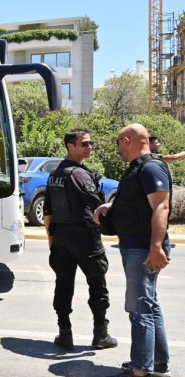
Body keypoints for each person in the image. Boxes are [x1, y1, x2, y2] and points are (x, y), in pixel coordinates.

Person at [95, 123, 172, 377]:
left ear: (127, 140)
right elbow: (137, 200)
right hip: (138, 245)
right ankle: (157, 363)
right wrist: (110, 206)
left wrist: (155, 246)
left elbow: (161, 206)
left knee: (139, 308)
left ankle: (140, 374)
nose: (117, 148)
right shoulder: (139, 168)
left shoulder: (150, 167)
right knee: (150, 304)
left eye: (118, 143)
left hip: (143, 247)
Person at [43, 128, 117, 352]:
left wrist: (51, 239)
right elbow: (98, 207)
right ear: (70, 146)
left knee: (63, 285)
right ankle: (100, 335)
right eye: (85, 144)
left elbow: (48, 212)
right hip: (85, 238)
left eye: (91, 143)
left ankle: (64, 334)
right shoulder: (79, 174)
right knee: (97, 285)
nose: (90, 147)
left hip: (62, 238)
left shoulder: (55, 173)